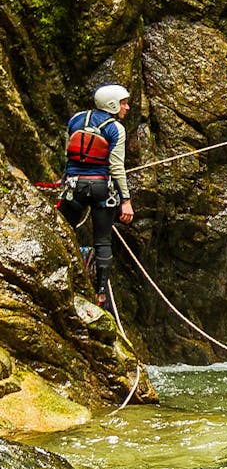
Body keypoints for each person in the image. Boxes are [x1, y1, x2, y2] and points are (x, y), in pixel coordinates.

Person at [59, 83, 135, 306]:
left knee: (65, 229)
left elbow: (69, 153)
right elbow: (116, 166)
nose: (127, 107)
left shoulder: (76, 119)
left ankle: (68, 273)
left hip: (74, 186)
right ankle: (101, 294)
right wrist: (126, 201)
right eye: (123, 103)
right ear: (111, 104)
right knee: (102, 241)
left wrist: (64, 179)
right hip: (102, 189)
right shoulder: (115, 129)